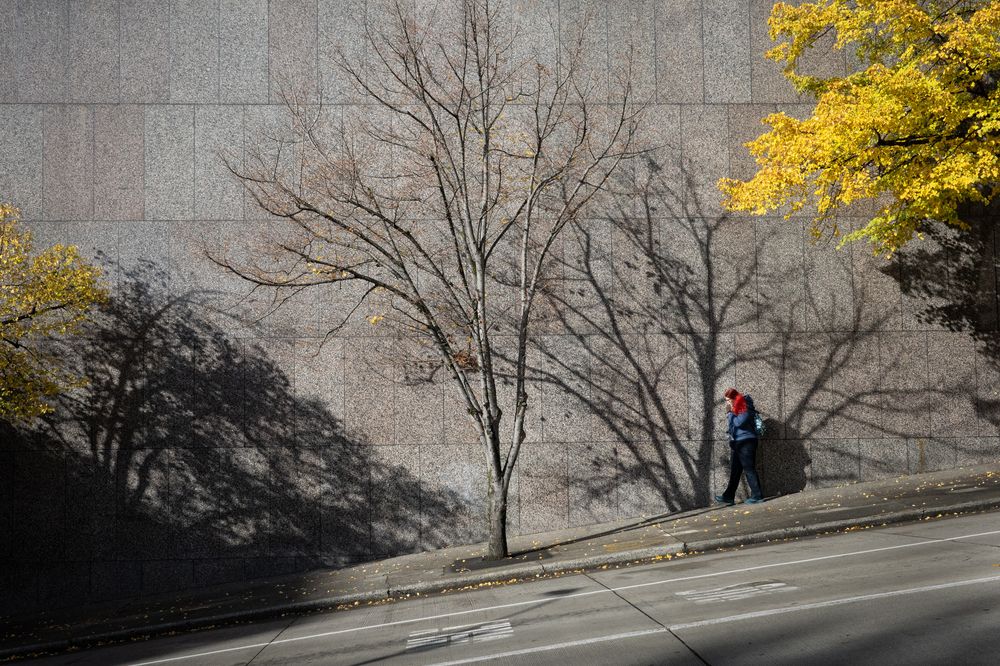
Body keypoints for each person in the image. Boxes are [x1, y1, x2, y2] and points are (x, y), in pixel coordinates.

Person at [715, 387, 764, 505]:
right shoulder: (736, 408)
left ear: (734, 398)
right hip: (738, 442)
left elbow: (739, 423)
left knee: (749, 468)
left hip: (746, 442)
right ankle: (728, 496)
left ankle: (757, 495)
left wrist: (730, 413)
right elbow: (733, 427)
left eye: (728, 400)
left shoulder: (745, 406)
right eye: (726, 400)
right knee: (735, 470)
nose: (727, 402)